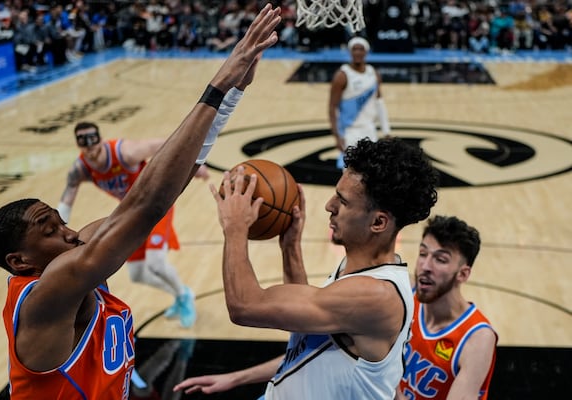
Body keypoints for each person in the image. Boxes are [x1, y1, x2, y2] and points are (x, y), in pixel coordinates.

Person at [0, 5, 281, 399]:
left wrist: (231, 95)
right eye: (50, 231)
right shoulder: (46, 295)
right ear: (20, 262)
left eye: (61, 222)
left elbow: (166, 188)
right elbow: (146, 205)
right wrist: (219, 84)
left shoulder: (76, 258)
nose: (70, 235)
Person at [175, 136, 439, 399]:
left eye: (343, 201)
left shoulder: (375, 295)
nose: (329, 206)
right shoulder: (361, 269)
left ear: (378, 222)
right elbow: (308, 328)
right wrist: (290, 248)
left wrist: (234, 228)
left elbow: (245, 307)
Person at [57, 121, 211, 328]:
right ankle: (182, 292)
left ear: (100, 141)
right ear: (80, 147)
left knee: (156, 263)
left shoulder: (125, 153)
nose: (91, 151)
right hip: (133, 212)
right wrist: (57, 230)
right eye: (85, 146)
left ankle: (184, 297)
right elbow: (66, 201)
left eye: (94, 145)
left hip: (157, 201)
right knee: (138, 274)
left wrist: (196, 162)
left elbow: (167, 144)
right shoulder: (80, 169)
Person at [397, 215, 498, 400]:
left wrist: (388, 387)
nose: (425, 266)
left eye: (440, 260)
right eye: (423, 253)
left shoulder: (477, 339)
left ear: (463, 274)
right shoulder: (406, 292)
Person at [329, 36, 391, 169]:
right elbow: (332, 107)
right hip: (350, 132)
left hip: (370, 130)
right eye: (354, 49)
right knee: (349, 175)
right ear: (350, 52)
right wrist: (337, 136)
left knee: (372, 174)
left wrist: (386, 131)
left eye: (360, 49)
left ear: (366, 52)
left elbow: (379, 103)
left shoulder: (374, 73)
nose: (357, 52)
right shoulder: (342, 75)